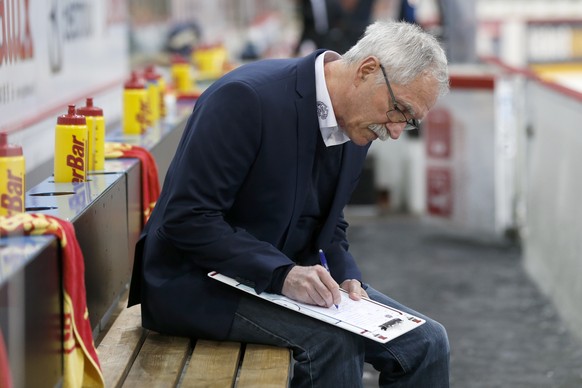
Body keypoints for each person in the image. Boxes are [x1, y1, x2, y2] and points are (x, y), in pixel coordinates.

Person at [129, 20, 450, 387]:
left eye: (408, 122)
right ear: (367, 70)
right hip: (197, 281)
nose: (395, 130)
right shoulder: (246, 98)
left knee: (427, 342)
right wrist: (282, 274)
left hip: (283, 278)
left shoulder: (362, 119)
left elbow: (331, 223)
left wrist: (348, 275)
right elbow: (187, 219)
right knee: (334, 343)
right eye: (399, 110)